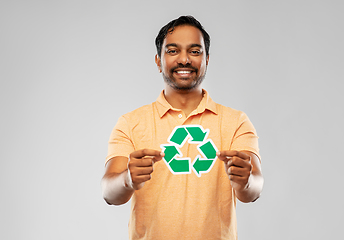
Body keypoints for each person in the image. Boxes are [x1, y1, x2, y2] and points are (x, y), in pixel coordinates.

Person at [102, 15, 264, 240]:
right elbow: (109, 192)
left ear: (207, 59)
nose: (184, 59)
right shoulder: (131, 123)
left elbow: (254, 189)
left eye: (195, 51)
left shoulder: (236, 121)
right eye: (172, 50)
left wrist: (246, 181)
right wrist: (127, 178)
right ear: (158, 61)